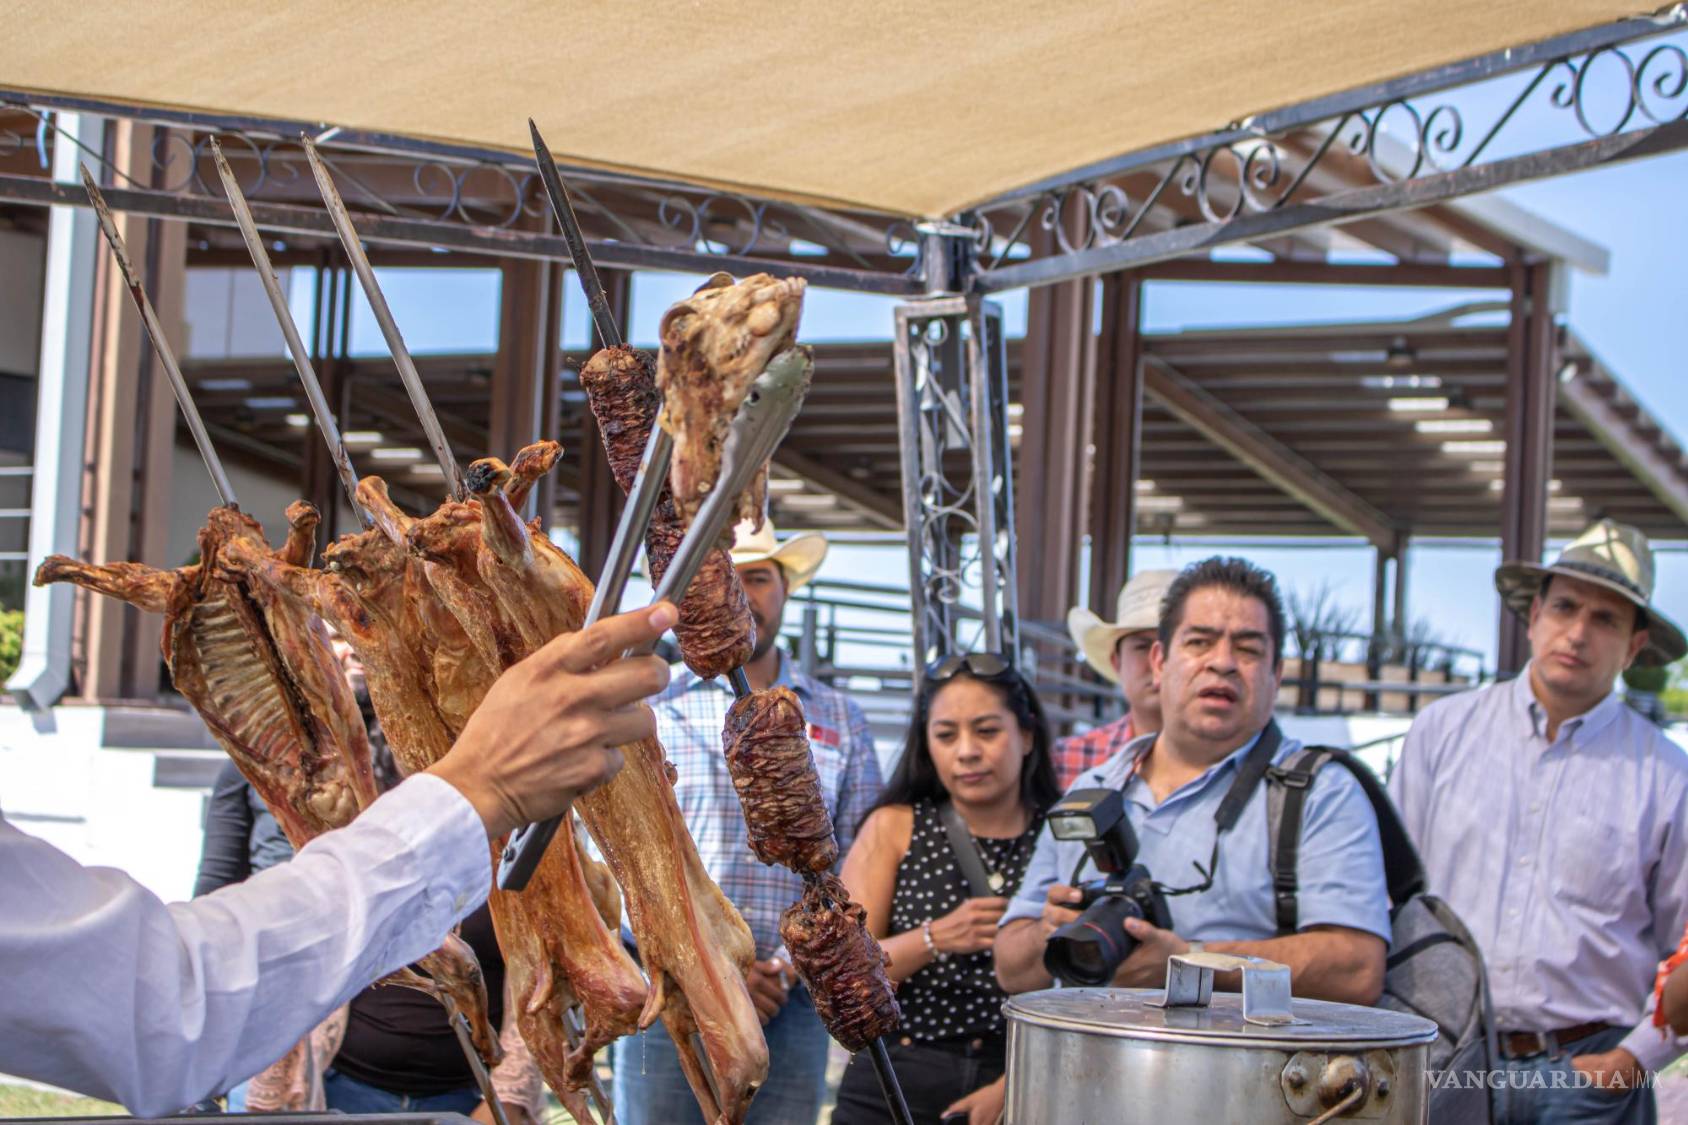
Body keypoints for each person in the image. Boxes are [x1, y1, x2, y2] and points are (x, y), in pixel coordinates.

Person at [0, 602, 677, 1117]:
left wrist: (512, 1085)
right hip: (331, 1064)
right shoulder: (260, 770)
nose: (350, 650)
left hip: (455, 1079)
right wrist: (478, 793)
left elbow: (170, 991)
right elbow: (176, 987)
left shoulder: (481, 782)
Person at [1390, 520, 1688, 1124]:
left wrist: (1634, 1059)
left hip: (1592, 1071)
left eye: (1606, 619)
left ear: (1634, 646)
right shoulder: (1442, 733)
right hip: (1447, 1054)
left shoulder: (1668, 776)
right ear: (1533, 618)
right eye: (1565, 606)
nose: (1577, 632)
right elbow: (1389, 895)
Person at [995, 557, 1390, 1004]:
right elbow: (1010, 970)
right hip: (1084, 1069)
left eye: (1248, 648)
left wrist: (1189, 962)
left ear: (1276, 675)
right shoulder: (1094, 787)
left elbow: (1357, 969)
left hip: (1246, 1071)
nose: (1221, 663)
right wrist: (1048, 932)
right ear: (1160, 661)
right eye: (1199, 642)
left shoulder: (1321, 793)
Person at [612, 521, 881, 1125]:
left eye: (757, 577)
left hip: (790, 999)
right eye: (722, 578)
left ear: (785, 590)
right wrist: (708, 965)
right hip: (674, 990)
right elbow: (618, 853)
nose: (740, 593)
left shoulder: (839, 716)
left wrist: (787, 968)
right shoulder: (649, 710)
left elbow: (863, 854)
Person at [831, 653, 1061, 1125]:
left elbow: (1089, 985)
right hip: (898, 1074)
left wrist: (1012, 1086)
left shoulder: (1063, 836)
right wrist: (934, 938)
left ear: (1028, 735)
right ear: (927, 745)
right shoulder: (893, 827)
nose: (967, 751)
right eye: (946, 734)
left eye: (987, 730)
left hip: (1024, 1078)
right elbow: (843, 978)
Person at [1057, 569, 1178, 787]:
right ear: (1116, 661)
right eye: (1143, 647)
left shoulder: (1231, 759)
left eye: (1170, 646)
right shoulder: (1066, 759)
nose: (1157, 661)